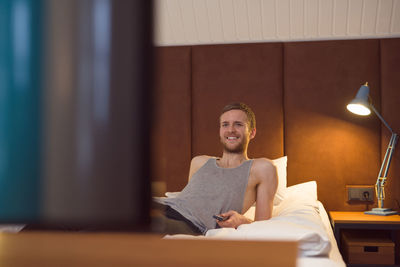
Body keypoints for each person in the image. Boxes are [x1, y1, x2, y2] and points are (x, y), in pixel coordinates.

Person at [153, 103, 278, 235]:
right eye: (225, 124)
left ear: (252, 132)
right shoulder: (199, 162)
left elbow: (263, 226)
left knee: (143, 224)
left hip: (190, 224)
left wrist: (243, 221)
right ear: (220, 131)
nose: (231, 130)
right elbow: (187, 201)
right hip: (164, 205)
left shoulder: (262, 168)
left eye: (238, 124)